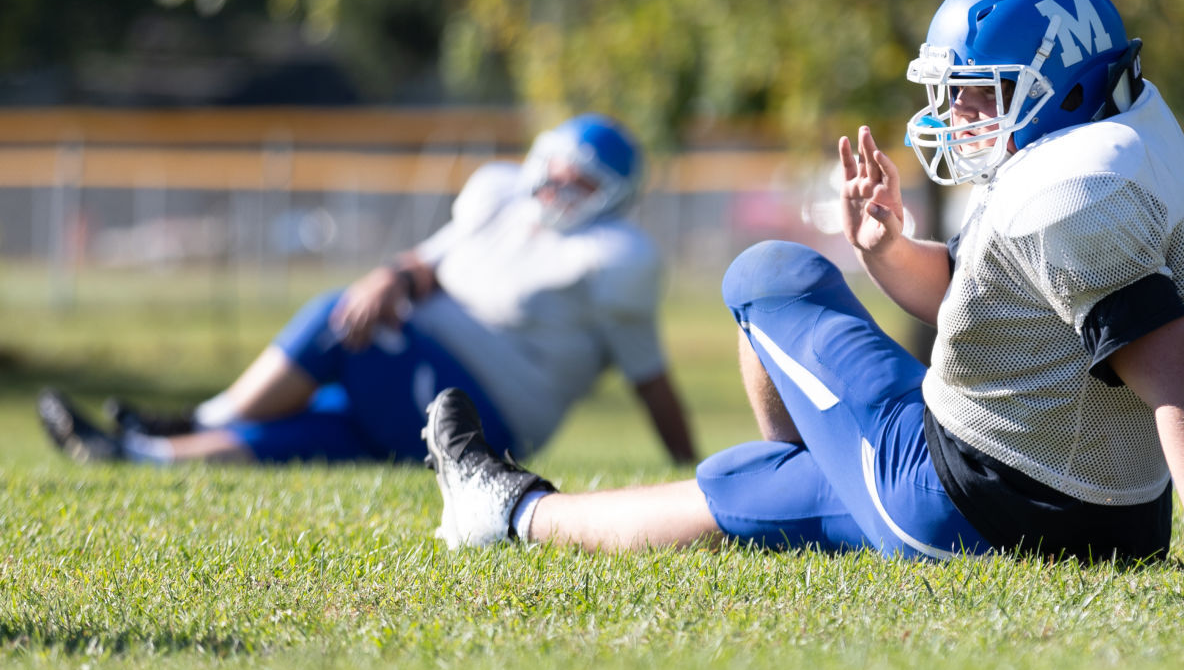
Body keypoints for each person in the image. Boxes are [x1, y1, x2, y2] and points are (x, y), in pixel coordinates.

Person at [420, 0, 1184, 583]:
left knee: (771, 271)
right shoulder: (1119, 135)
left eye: (978, 93)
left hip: (975, 499)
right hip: (1113, 517)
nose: (954, 114)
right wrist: (887, 248)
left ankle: (799, 471)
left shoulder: (1071, 191)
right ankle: (505, 510)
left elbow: (1183, 384)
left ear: (1059, 84)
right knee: (764, 488)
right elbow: (997, 301)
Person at [38, 115, 696, 467]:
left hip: (482, 414)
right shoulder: (499, 198)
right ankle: (143, 454)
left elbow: (651, 378)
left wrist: (687, 468)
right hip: (414, 378)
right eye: (553, 169)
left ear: (610, 199)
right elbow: (429, 262)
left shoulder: (614, 258)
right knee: (329, 425)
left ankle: (197, 418)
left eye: (578, 182)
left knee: (339, 316)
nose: (554, 187)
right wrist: (392, 275)